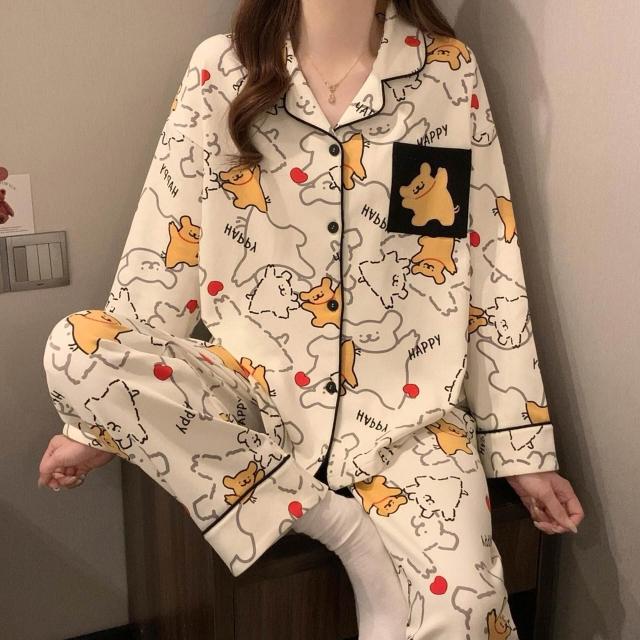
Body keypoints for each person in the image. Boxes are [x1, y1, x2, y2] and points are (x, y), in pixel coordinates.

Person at [38, 0, 585, 637]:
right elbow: (165, 247)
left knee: (467, 608)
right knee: (75, 347)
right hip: (251, 399)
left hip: (409, 419)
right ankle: (340, 528)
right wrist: (104, 418)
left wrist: (520, 449)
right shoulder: (223, 68)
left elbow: (488, 257)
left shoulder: (445, 70)